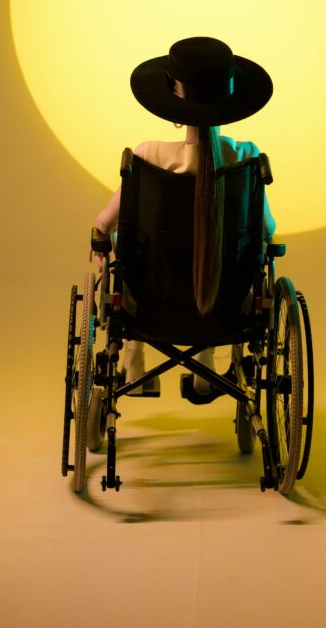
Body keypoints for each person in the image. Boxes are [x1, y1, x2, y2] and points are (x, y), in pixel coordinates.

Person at [94, 36, 275, 397]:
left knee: (121, 247)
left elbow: (103, 224)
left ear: (175, 110)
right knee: (229, 254)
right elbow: (267, 231)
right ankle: (206, 366)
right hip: (227, 309)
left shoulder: (147, 156)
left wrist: (103, 246)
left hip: (151, 306)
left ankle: (134, 361)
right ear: (228, 106)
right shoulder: (246, 156)